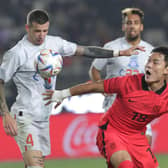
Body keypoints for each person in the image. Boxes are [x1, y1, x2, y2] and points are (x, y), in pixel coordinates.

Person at [0, 9, 141, 168]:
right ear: (27, 28)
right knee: (36, 166)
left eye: (45, 30)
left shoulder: (55, 43)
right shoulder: (17, 53)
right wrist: (5, 114)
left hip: (44, 116)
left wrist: (119, 52)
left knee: (34, 164)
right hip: (25, 116)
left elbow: (85, 51)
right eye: (37, 31)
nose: (41, 35)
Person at [43, 46, 168, 168]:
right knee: (126, 165)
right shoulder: (128, 83)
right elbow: (94, 86)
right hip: (111, 132)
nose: (149, 65)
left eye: (155, 62)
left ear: (166, 69)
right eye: (148, 61)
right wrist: (62, 94)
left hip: (136, 137)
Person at [89, 7, 153, 145]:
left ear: (141, 27)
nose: (132, 26)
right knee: (119, 157)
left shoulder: (150, 51)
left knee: (144, 155)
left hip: (140, 109)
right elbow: (94, 69)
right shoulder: (111, 47)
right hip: (114, 107)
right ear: (124, 26)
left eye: (135, 22)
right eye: (128, 23)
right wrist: (102, 87)